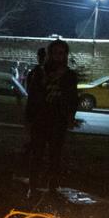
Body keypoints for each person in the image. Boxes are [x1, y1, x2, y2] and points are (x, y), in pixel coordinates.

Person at [25, 39, 78, 198]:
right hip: (41, 120)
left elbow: (73, 98)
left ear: (65, 55)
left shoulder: (69, 75)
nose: (58, 56)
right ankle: (33, 186)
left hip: (58, 121)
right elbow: (32, 96)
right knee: (37, 155)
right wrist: (29, 119)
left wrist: (70, 116)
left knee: (55, 156)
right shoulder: (39, 72)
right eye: (55, 53)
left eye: (61, 53)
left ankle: (52, 187)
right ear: (50, 54)